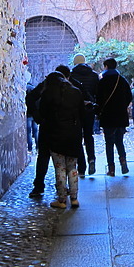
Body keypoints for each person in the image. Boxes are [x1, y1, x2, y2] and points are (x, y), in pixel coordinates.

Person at [38, 70, 85, 208]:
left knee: (60, 168)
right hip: (73, 133)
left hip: (55, 133)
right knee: (72, 166)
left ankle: (62, 200)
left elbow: (42, 113)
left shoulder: (48, 93)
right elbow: (82, 112)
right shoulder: (76, 92)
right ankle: (75, 198)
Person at [96, 57, 133, 176]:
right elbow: (129, 97)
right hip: (120, 116)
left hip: (107, 117)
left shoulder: (102, 81)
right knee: (119, 141)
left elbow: (98, 99)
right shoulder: (122, 80)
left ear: (106, 66)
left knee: (109, 143)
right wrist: (122, 107)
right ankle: (123, 163)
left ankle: (111, 168)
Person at [70, 53, 99, 176]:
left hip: (75, 109)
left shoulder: (71, 76)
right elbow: (97, 93)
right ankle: (91, 159)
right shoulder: (93, 75)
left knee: (77, 137)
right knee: (89, 135)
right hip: (89, 109)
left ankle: (81, 167)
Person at [27, 77, 49, 196]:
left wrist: (37, 116)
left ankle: (39, 185)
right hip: (63, 129)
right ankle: (63, 187)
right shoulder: (71, 87)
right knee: (62, 160)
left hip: (46, 127)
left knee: (43, 157)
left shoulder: (43, 86)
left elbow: (30, 98)